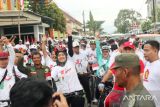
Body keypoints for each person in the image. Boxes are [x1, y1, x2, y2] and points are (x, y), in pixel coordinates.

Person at [51, 29, 85, 107]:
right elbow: (52, 81)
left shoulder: (71, 61)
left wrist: (69, 36)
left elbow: (70, 49)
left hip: (77, 94)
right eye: (59, 55)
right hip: (64, 96)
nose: (61, 56)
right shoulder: (55, 68)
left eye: (63, 55)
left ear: (66, 56)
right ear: (57, 57)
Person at [72, 40, 91, 106]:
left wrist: (89, 71)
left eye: (77, 47)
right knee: (77, 90)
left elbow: (87, 63)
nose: (76, 48)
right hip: (76, 75)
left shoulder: (83, 54)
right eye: (75, 47)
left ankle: (89, 101)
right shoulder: (71, 56)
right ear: (73, 48)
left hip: (84, 74)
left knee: (87, 88)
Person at [0, 37, 18, 107]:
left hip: (12, 103)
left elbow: (12, 53)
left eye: (5, 59)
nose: (3, 61)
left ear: (8, 59)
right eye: (1, 59)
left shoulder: (9, 67)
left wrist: (7, 43)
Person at [143, 40, 160, 107]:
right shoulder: (147, 64)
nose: (144, 53)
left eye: (147, 50)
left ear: (155, 51)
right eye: (144, 50)